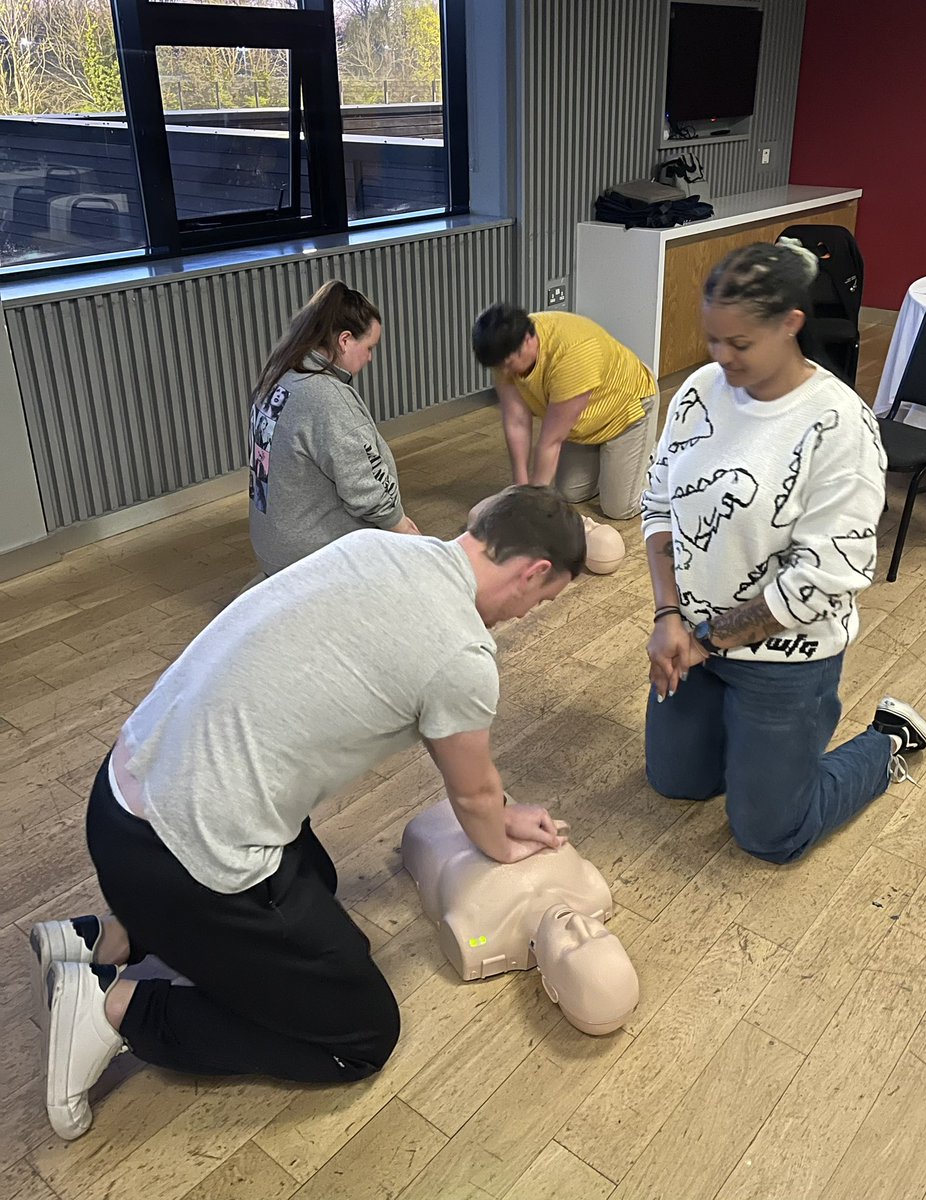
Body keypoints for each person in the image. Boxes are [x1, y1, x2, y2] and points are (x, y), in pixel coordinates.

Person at [31, 486, 585, 1141]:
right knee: (361, 1035)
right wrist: (501, 837)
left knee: (316, 882)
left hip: (119, 800)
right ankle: (111, 1007)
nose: (523, 616)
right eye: (538, 604)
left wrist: (497, 809)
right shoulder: (462, 656)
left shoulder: (375, 547)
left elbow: (476, 790)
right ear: (533, 573)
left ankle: (108, 938)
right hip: (180, 857)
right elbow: (470, 797)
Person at [641, 242, 926, 865]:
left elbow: (825, 579)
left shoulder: (840, 426)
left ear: (790, 324)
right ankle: (750, 751)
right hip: (693, 634)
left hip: (785, 656)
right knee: (676, 782)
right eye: (712, 339)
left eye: (739, 343)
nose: (721, 357)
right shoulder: (698, 391)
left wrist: (706, 640)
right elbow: (660, 506)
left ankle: (887, 740)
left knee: (771, 835)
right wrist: (668, 617)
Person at [247, 279, 418, 577]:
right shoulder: (326, 397)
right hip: (308, 557)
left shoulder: (281, 373)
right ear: (345, 340)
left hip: (273, 548)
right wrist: (402, 527)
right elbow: (364, 484)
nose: (370, 357)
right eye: (369, 347)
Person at [471, 304, 659, 521]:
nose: (505, 372)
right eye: (499, 367)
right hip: (584, 423)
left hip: (627, 412)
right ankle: (612, 463)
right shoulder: (504, 350)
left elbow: (551, 440)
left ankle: (654, 459)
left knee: (619, 508)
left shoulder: (573, 354)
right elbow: (517, 422)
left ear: (528, 340)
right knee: (570, 493)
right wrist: (521, 489)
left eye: (508, 364)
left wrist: (536, 504)